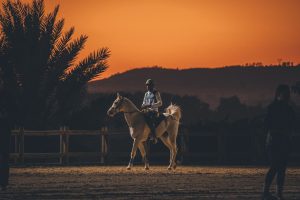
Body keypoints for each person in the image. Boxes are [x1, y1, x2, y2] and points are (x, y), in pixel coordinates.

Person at [262, 84, 296, 200]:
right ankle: (267, 191)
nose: (287, 96)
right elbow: (267, 125)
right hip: (275, 140)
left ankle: (277, 193)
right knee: (276, 165)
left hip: (283, 140)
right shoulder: (274, 108)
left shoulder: (287, 109)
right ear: (279, 94)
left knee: (281, 167)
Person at [0, 79, 16, 191]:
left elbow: (13, 112)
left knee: (4, 156)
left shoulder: (8, 96)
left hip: (4, 129)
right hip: (5, 128)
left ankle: (3, 183)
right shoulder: (8, 96)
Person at [141, 79, 162, 143]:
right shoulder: (146, 94)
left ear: (152, 86)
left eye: (149, 85)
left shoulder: (156, 93)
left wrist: (151, 105)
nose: (148, 87)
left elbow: (160, 103)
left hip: (154, 111)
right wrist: (143, 106)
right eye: (147, 85)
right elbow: (143, 103)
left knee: (149, 118)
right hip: (146, 111)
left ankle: (154, 136)